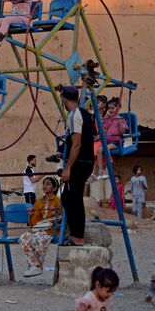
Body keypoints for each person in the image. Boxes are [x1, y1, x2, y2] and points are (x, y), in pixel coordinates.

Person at [59, 86, 95, 246]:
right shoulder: (86, 114)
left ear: (64, 100)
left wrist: (68, 168)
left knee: (72, 198)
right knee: (69, 197)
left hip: (79, 162)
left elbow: (77, 144)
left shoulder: (74, 115)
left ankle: (77, 237)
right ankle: (75, 235)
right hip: (86, 161)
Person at [19, 177, 61, 278]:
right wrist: (31, 214)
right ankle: (36, 265)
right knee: (24, 237)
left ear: (54, 188)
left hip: (51, 231)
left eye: (48, 184)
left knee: (39, 239)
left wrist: (57, 214)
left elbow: (62, 218)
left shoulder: (58, 201)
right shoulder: (38, 202)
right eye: (43, 184)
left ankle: (35, 266)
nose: (44, 186)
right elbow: (34, 223)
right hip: (39, 230)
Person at [93, 97, 127, 180]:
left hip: (115, 142)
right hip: (107, 141)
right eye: (109, 108)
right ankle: (101, 172)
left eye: (113, 108)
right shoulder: (109, 119)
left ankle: (106, 170)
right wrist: (103, 120)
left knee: (106, 149)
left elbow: (123, 132)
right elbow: (104, 128)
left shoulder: (120, 119)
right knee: (99, 150)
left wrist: (120, 123)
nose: (111, 110)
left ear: (118, 108)